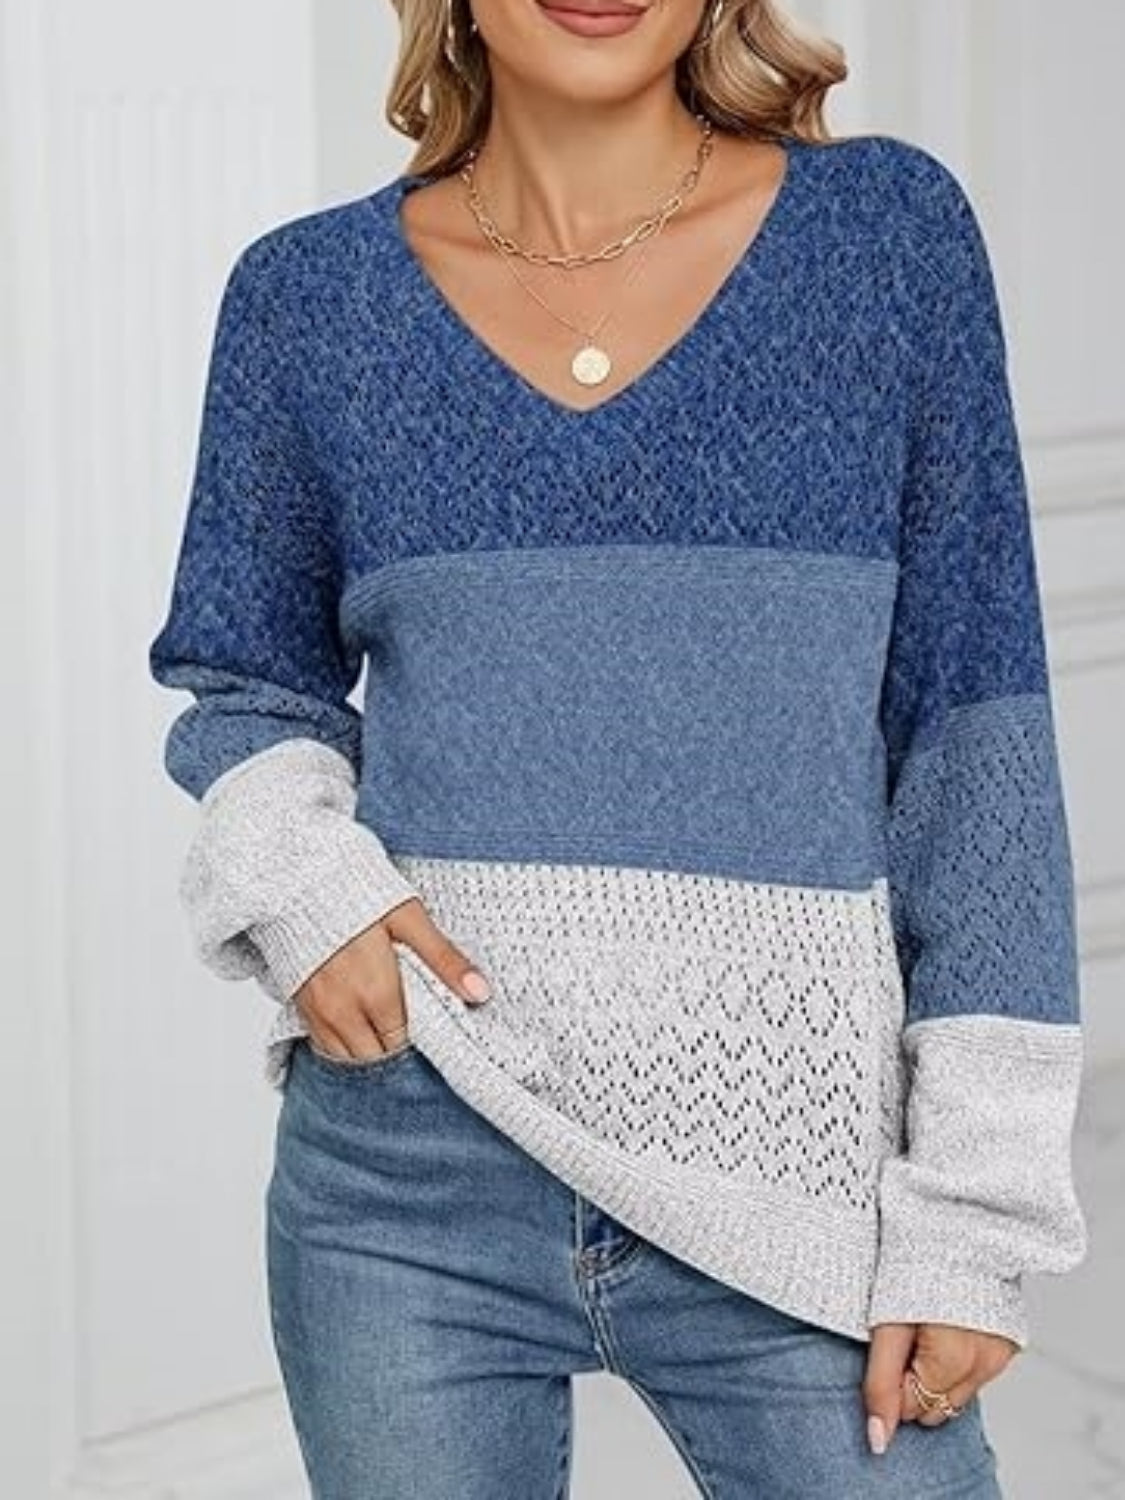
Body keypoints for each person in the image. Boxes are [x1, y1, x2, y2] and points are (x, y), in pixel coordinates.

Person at [147, 0, 1088, 1494]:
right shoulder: (307, 297)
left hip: (799, 1182)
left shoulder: (885, 238)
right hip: (409, 1181)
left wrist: (973, 1213)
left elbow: (971, 735)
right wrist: (308, 890)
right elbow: (245, 682)